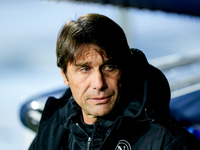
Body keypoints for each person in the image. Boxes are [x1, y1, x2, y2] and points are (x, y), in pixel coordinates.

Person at [29, 13, 200, 150]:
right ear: (65, 76)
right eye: (85, 69)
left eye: (109, 67)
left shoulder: (168, 143)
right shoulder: (53, 128)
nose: (99, 83)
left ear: (124, 70)